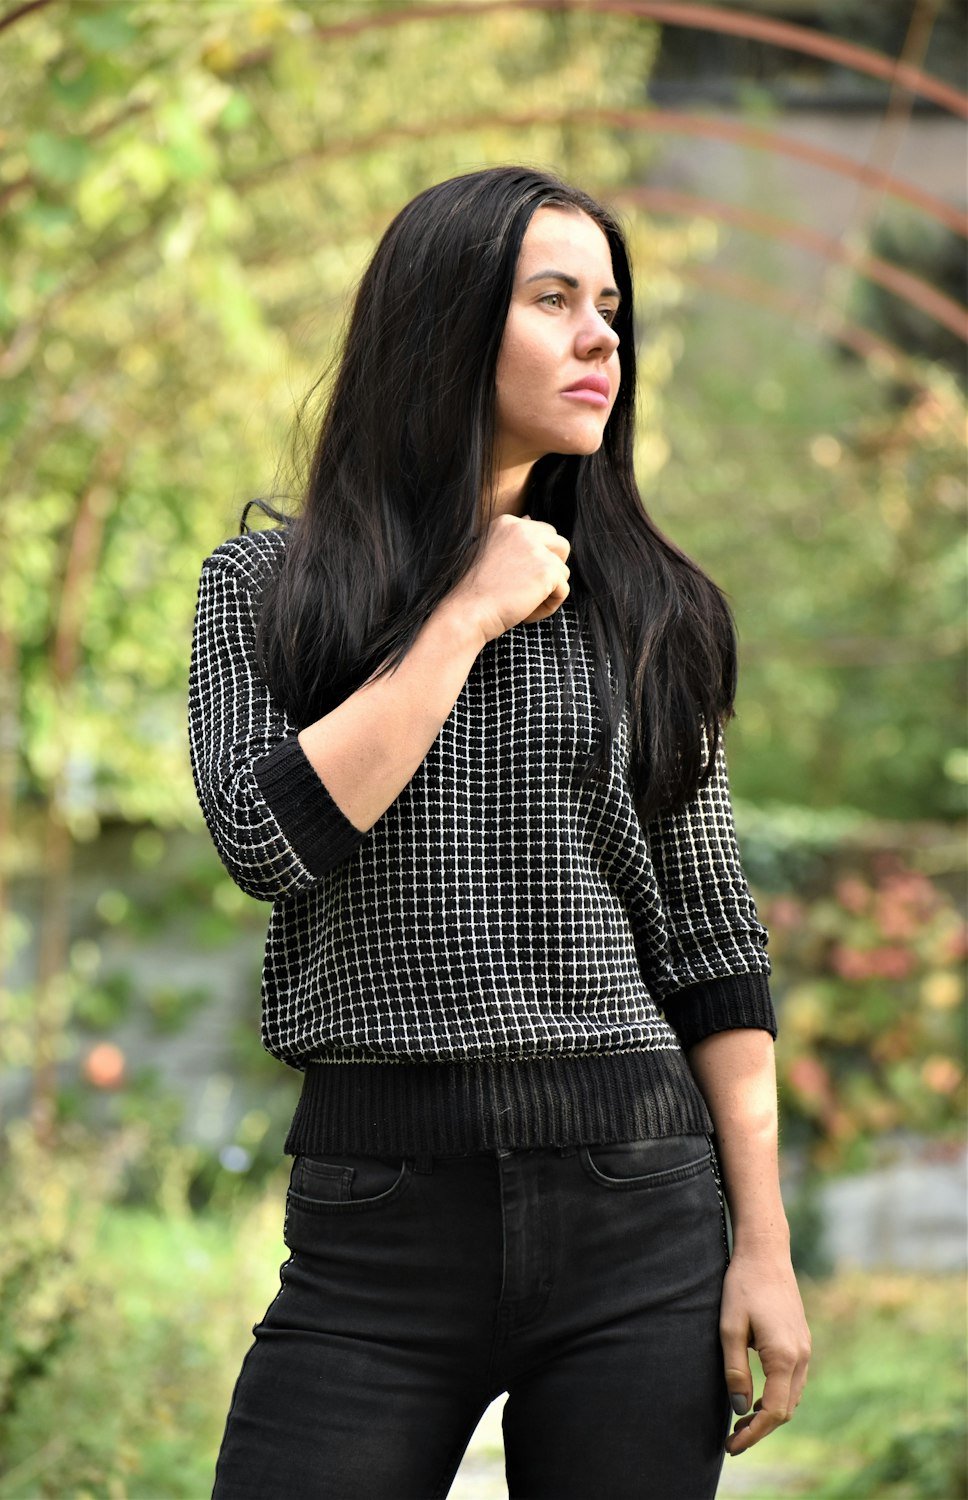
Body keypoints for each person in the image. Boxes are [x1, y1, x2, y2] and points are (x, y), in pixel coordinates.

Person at [189, 164, 811, 1500]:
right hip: (374, 1223)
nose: (603, 339)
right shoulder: (266, 591)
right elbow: (266, 840)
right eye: (554, 300)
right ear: (445, 326)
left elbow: (712, 941)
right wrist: (465, 611)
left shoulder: (653, 609)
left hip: (638, 1205)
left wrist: (763, 1245)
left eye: (611, 308)